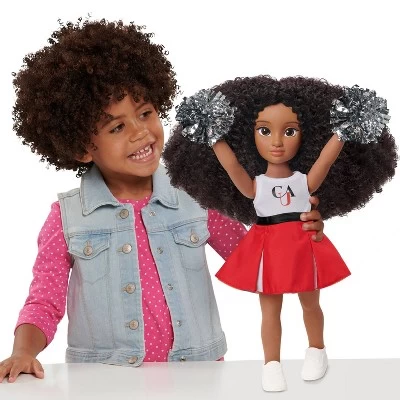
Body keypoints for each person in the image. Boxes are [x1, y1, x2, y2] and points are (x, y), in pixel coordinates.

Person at [0, 21, 325, 384]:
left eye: (145, 113)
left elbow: (257, 259)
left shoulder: (197, 197)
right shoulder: (68, 217)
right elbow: (44, 301)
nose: (141, 132)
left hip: (198, 378)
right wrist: (23, 352)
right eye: (117, 127)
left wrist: (298, 232)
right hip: (104, 382)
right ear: (81, 148)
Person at [163, 75, 397, 391]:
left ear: (305, 135)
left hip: (302, 243)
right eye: (264, 130)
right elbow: (231, 166)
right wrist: (213, 134)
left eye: (289, 131)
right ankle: (271, 363)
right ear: (249, 137)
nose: (277, 142)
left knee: (310, 303)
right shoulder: (256, 186)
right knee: (270, 311)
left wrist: (344, 129)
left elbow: (326, 159)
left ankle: (317, 349)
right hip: (268, 247)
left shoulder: (303, 182)